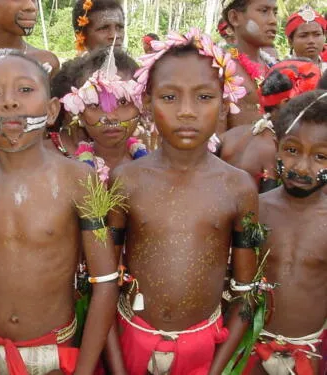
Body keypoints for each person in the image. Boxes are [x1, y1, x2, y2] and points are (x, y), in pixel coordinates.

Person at [0, 49, 119, 374]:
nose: (10, 103)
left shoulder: (79, 180)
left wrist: (83, 369)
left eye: (25, 90)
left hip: (56, 355)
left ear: (53, 109)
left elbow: (106, 282)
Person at [105, 29, 262, 375]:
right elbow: (104, 284)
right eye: (170, 97)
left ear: (224, 102)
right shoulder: (126, 180)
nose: (187, 112)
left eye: (204, 97)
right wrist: (117, 367)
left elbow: (246, 292)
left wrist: (215, 368)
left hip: (205, 351)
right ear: (147, 103)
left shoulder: (238, 187)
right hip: (132, 343)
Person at [243, 90, 327, 375]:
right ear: (276, 147)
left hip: (310, 353)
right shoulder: (256, 209)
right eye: (291, 150)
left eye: (320, 157)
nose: (302, 167)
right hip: (251, 351)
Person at [220, 59, 321, 193]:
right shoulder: (280, 151)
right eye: (312, 102)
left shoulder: (231, 135)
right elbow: (272, 207)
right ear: (286, 103)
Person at [60, 47, 147, 178]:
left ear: (141, 106)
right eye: (95, 105)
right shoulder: (69, 173)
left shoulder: (154, 166)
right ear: (80, 113)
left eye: (123, 102)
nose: (110, 117)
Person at [222, 0, 278, 130]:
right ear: (234, 18)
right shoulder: (220, 67)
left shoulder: (275, 67)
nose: (273, 20)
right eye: (264, 11)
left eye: (275, 12)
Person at [285, 5, 327, 73]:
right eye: (303, 36)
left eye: (317, 34)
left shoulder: (325, 70)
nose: (311, 41)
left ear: (324, 36)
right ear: (290, 41)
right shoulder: (282, 72)